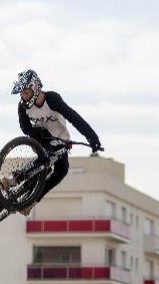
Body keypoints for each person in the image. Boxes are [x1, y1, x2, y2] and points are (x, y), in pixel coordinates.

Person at [7, 69, 102, 216]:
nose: (23, 97)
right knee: (45, 159)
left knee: (61, 170)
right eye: (21, 94)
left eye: (25, 93)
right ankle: (13, 179)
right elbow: (25, 128)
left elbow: (73, 117)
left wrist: (92, 138)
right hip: (41, 137)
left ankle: (31, 200)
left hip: (60, 139)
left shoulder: (52, 99)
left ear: (34, 88)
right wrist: (39, 132)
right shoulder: (23, 107)